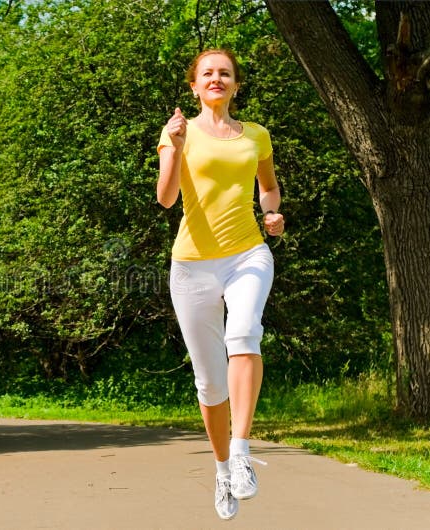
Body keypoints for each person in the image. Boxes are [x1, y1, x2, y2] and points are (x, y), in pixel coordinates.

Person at [156, 48, 284, 521]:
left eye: (224, 73)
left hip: (248, 254)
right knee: (210, 382)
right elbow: (166, 199)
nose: (216, 78)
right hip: (191, 266)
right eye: (207, 73)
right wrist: (173, 143)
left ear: (235, 85)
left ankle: (243, 452)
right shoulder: (178, 132)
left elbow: (267, 187)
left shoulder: (256, 136)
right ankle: (222, 467)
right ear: (194, 86)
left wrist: (271, 213)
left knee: (245, 332)